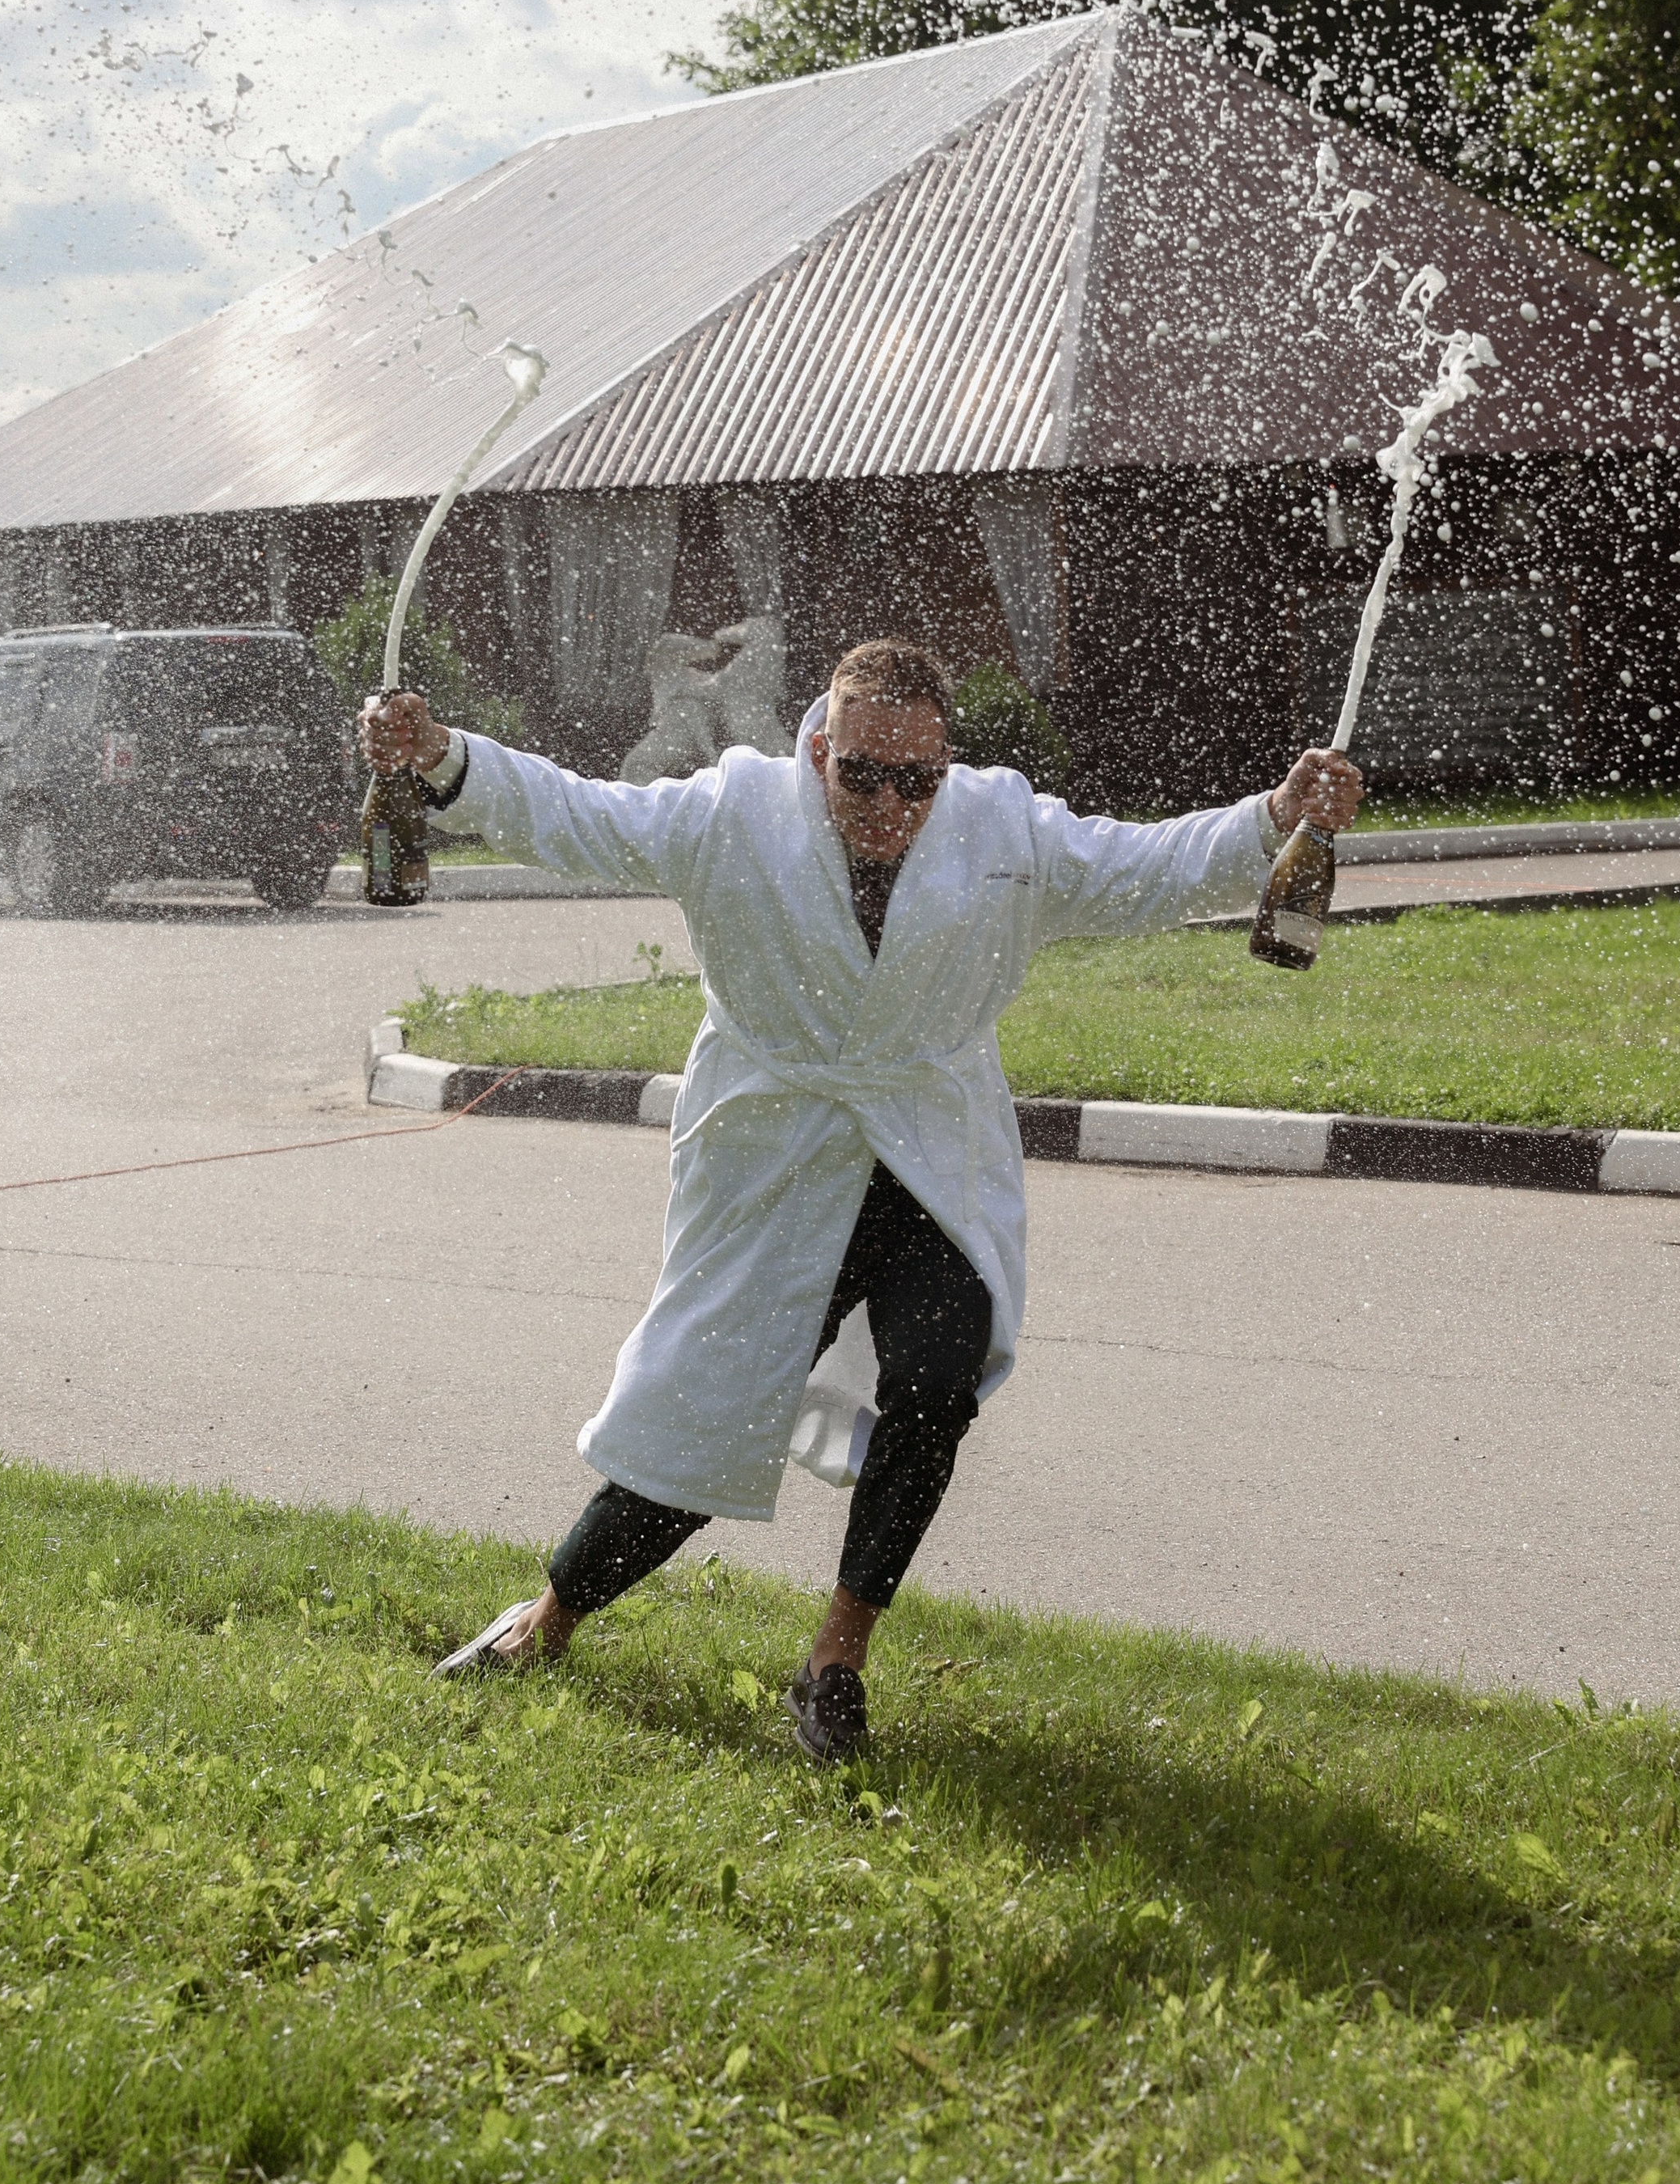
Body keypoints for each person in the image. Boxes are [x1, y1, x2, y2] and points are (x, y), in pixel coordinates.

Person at [360, 637, 1361, 1764]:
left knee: (938, 1379)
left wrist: (1276, 817)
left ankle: (838, 1658)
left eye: (919, 780)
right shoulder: (734, 813)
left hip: (931, 1151)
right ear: (818, 748)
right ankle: (552, 1615)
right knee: (709, 1410)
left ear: (947, 767)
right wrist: (444, 758)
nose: (892, 802)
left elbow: (1151, 869)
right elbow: (577, 815)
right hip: (777, 1150)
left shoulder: (1005, 831)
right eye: (864, 775)